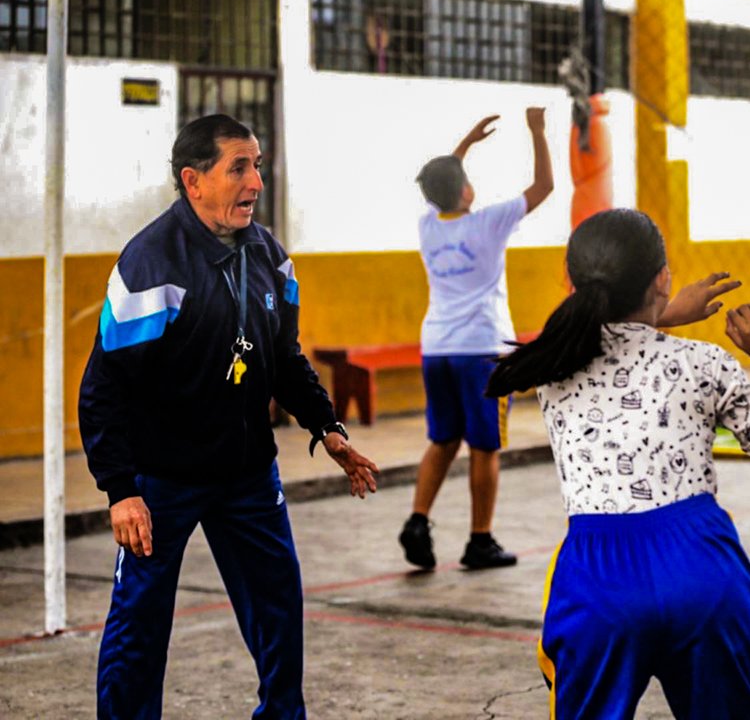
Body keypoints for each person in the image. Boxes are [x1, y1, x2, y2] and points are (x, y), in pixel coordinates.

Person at [79, 114, 380, 719]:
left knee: (278, 607)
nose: (256, 182)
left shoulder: (270, 257)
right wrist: (120, 490)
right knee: (139, 622)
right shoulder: (150, 265)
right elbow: (104, 385)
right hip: (161, 479)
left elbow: (282, 359)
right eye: (238, 167)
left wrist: (328, 428)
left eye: (258, 165)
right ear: (193, 181)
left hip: (246, 474)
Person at [486, 208, 750, 720]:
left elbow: (608, 339)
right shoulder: (704, 364)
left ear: (570, 280)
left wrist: (658, 313)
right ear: (663, 278)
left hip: (598, 577)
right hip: (700, 566)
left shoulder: (551, 367)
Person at [399, 109, 553, 571]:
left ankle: (418, 520)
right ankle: (479, 539)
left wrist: (464, 143)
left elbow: (441, 179)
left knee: (443, 439)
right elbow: (543, 187)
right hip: (481, 349)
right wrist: (538, 132)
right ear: (466, 189)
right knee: (485, 446)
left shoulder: (430, 225)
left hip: (437, 348)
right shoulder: (489, 222)